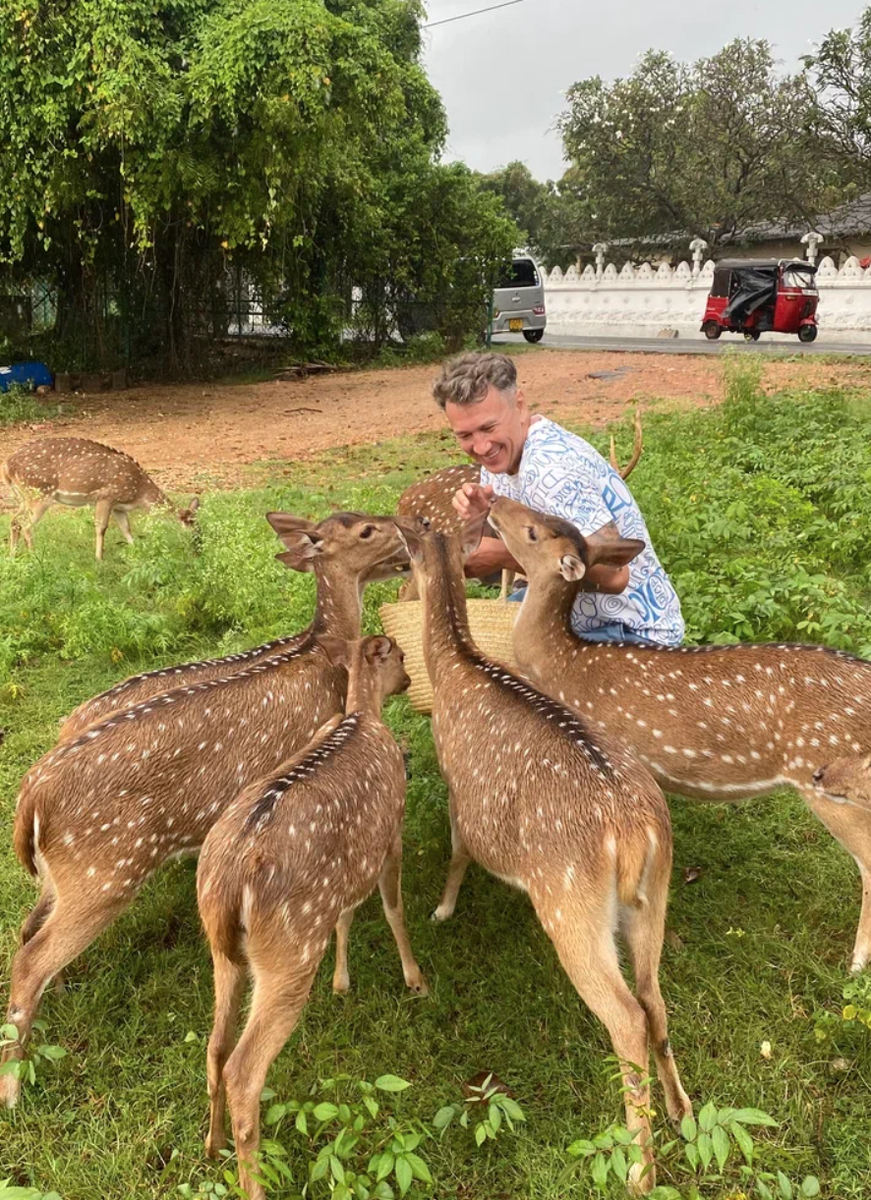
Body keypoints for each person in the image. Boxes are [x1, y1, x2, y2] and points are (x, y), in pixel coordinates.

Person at [431, 351, 684, 647]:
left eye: (488, 428)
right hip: (570, 609)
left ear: (520, 406)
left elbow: (616, 577)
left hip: (627, 628)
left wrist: (502, 556)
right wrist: (481, 518)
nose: (481, 446)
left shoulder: (550, 470)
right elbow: (516, 552)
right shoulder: (501, 458)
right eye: (465, 435)